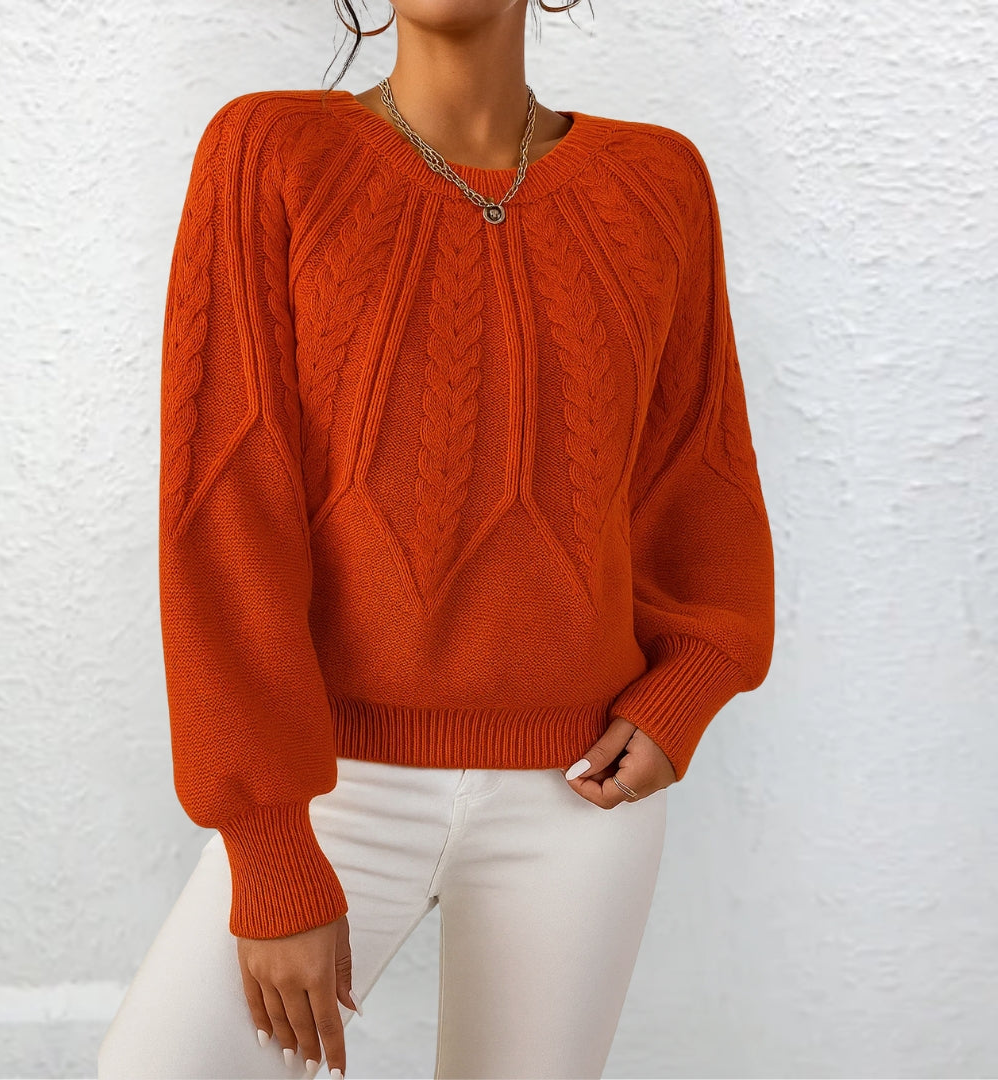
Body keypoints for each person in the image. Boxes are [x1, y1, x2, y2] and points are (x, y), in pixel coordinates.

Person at [98, 1, 776, 1077]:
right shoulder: (270, 153)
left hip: (580, 790)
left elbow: (695, 474)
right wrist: (270, 846)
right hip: (333, 784)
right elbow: (227, 515)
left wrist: (688, 680)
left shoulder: (659, 183)